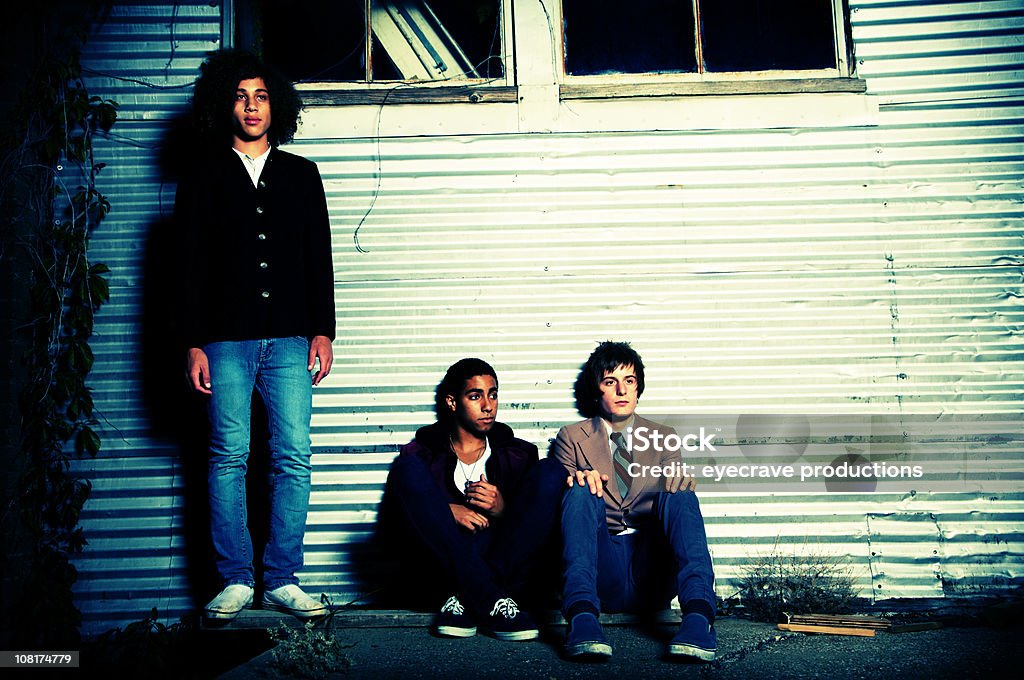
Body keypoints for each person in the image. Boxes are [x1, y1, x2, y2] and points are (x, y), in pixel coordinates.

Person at [179, 50, 335, 620]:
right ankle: (235, 578)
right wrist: (193, 341)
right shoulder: (202, 174)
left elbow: (319, 256)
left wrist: (324, 330)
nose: (251, 106)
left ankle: (282, 579)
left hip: (292, 338)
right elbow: (188, 264)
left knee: (293, 455)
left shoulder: (301, 173)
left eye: (262, 96)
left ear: (277, 105)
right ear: (226, 102)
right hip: (224, 339)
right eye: (242, 96)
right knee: (228, 457)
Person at [554, 341, 717, 660]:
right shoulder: (571, 437)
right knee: (577, 489)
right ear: (596, 389)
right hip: (603, 570)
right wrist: (580, 481)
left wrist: (677, 479)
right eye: (610, 381)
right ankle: (582, 618)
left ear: (638, 387)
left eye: (629, 380)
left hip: (651, 571)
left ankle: (699, 618)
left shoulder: (664, 436)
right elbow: (570, 511)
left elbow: (673, 489)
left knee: (680, 491)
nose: (621, 390)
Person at [383, 358, 565, 640]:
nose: (488, 405)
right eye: (475, 395)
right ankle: (493, 599)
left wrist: (504, 509)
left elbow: (533, 529)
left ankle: (465, 600)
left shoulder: (519, 454)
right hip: (442, 570)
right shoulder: (419, 455)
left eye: (493, 394)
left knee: (552, 470)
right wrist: (445, 511)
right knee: (406, 471)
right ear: (452, 402)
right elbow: (397, 527)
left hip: (504, 563)